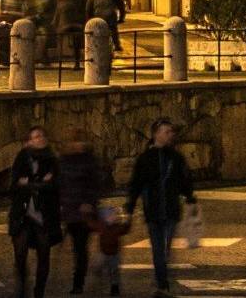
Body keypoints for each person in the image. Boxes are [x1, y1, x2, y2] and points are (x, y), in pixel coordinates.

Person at [0, 126, 69, 298]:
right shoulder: (22, 158)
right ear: (29, 141)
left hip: (44, 216)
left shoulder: (52, 160)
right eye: (35, 137)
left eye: (41, 136)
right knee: (20, 254)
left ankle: (39, 291)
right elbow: (13, 186)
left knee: (44, 254)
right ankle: (22, 287)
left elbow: (56, 186)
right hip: (23, 215)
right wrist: (40, 183)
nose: (39, 139)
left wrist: (30, 184)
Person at [125, 120, 197, 296]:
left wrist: (189, 197)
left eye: (170, 132)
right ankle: (162, 284)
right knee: (158, 250)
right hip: (154, 211)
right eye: (166, 132)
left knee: (164, 250)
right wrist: (130, 206)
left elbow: (183, 180)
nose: (169, 135)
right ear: (156, 134)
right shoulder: (145, 158)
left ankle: (161, 283)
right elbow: (136, 184)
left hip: (171, 210)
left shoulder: (175, 157)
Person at [54, 133, 118, 294]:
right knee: (77, 248)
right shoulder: (63, 161)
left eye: (81, 141)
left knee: (81, 249)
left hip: (84, 213)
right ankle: (78, 281)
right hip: (69, 211)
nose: (78, 145)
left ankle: (78, 283)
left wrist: (89, 202)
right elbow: (60, 185)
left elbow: (96, 185)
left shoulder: (90, 161)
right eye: (75, 141)